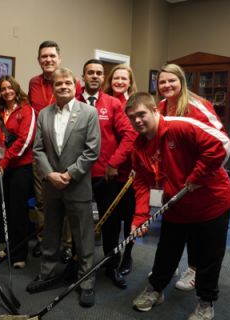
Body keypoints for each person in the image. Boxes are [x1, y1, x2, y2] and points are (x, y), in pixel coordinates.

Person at [126, 92, 230, 320]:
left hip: (211, 203)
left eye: (142, 114)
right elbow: (143, 184)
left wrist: (198, 175)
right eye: (132, 117)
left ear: (155, 111)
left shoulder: (181, 126)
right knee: (166, 251)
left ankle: (206, 302)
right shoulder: (137, 148)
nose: (137, 121)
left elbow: (221, 144)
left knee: (208, 257)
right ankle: (156, 288)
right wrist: (140, 216)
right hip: (176, 207)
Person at [28, 68, 100, 308]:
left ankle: (86, 281)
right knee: (50, 232)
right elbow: (38, 149)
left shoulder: (88, 112)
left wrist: (68, 175)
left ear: (75, 85)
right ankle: (46, 272)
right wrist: (50, 174)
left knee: (83, 236)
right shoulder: (44, 114)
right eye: (58, 83)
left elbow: (92, 151)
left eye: (67, 83)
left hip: (77, 185)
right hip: (51, 185)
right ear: (53, 87)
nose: (63, 87)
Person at [156, 63, 227, 291]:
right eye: (162, 82)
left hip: (204, 187)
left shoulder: (199, 106)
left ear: (181, 81)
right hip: (176, 187)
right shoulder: (159, 108)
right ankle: (167, 272)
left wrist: (198, 176)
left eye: (171, 81)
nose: (166, 85)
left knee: (202, 239)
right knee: (172, 240)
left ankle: (194, 272)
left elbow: (221, 144)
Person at [77, 60, 136, 289]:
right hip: (77, 175)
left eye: (99, 73)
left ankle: (112, 266)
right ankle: (80, 264)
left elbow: (129, 135)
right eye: (90, 72)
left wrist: (114, 164)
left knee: (110, 224)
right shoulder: (72, 101)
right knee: (79, 223)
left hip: (105, 175)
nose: (94, 76)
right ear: (83, 76)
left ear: (104, 78)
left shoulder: (112, 104)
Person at [28, 40, 82, 262]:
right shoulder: (33, 83)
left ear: (59, 58)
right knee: (43, 201)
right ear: (39, 60)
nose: (48, 59)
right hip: (41, 151)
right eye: (43, 56)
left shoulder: (71, 82)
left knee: (67, 201)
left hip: (66, 151)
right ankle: (45, 240)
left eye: (52, 56)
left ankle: (67, 244)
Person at [0, 75, 36, 268]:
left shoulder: (26, 110)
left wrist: (5, 161)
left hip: (19, 167)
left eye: (10, 88)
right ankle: (12, 246)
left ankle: (20, 254)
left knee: (18, 212)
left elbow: (25, 141)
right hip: (2, 167)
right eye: (3, 88)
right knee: (6, 209)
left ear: (16, 89)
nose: (7, 91)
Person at [102, 64, 138, 276]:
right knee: (111, 217)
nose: (119, 82)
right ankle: (113, 255)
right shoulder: (103, 102)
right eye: (116, 78)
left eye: (124, 79)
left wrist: (137, 166)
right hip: (108, 170)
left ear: (130, 82)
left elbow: (141, 138)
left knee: (129, 217)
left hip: (130, 170)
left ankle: (128, 254)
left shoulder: (134, 104)